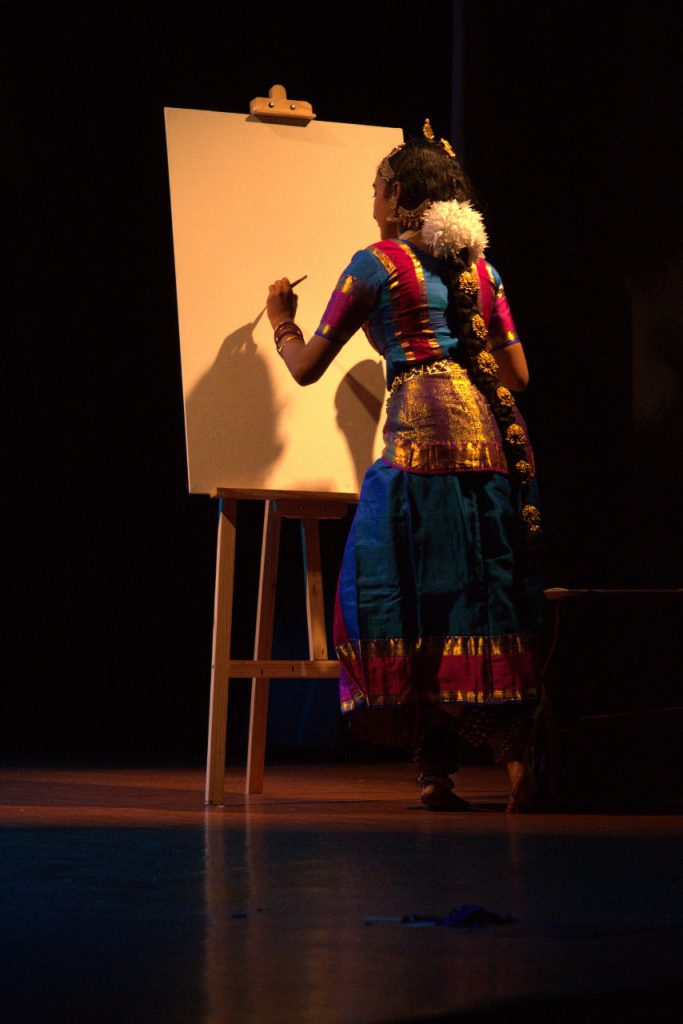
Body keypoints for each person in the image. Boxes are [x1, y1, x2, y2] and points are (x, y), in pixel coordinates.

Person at [266, 123, 543, 812]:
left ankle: (439, 770)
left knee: (401, 597)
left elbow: (305, 369)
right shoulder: (484, 271)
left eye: (375, 188)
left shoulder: (376, 264)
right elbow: (516, 375)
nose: (371, 200)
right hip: (487, 450)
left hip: (417, 447)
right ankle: (502, 760)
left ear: (395, 195)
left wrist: (281, 321)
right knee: (480, 596)